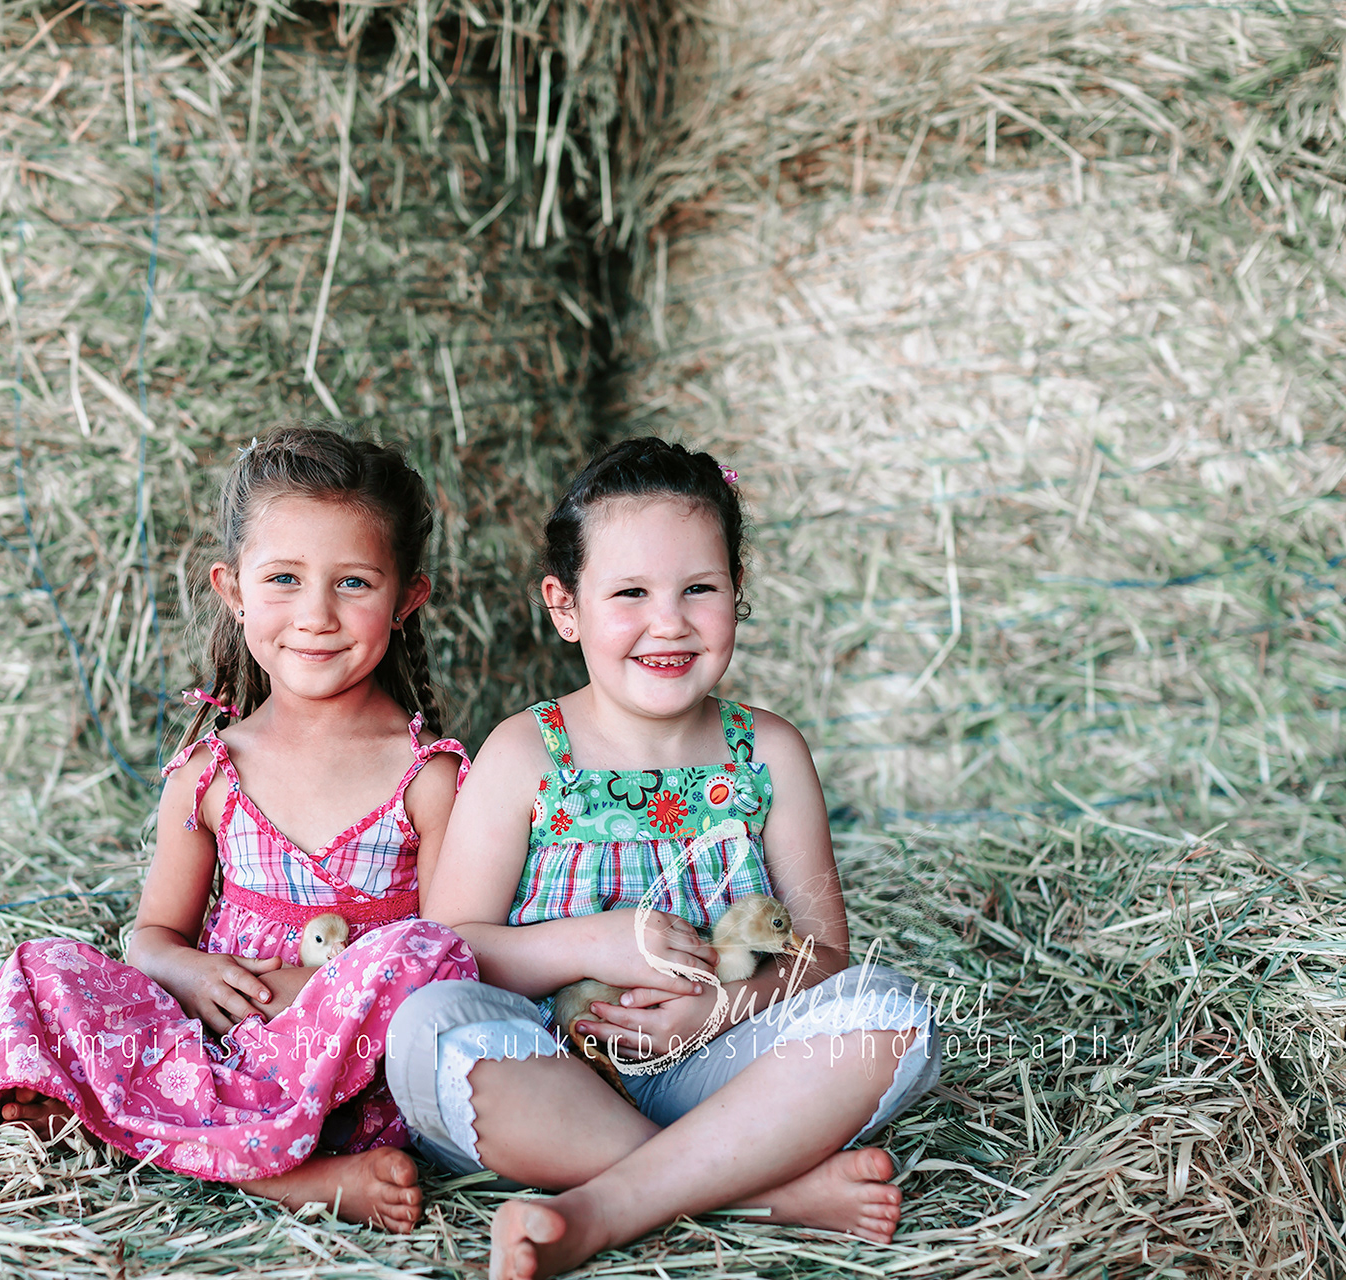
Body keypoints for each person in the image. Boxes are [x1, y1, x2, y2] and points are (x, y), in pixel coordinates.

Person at [386, 438, 941, 1278]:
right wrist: (591, 943)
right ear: (564, 606)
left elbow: (824, 958)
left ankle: (604, 1208)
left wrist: (718, 1010)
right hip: (553, 1069)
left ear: (737, 593)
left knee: (890, 1013)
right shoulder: (525, 753)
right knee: (423, 1032)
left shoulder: (770, 754)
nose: (670, 622)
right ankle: (762, 1193)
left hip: (719, 1065)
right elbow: (447, 949)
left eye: (700, 589)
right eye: (631, 593)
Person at [0, 426, 478, 1231]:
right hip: (215, 1043)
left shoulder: (427, 776)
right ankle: (286, 1176)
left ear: (406, 599)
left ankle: (159, 1134)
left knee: (428, 957)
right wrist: (189, 976)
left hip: (347, 1069)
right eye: (284, 578)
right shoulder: (210, 771)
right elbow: (151, 935)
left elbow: (447, 961)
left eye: (354, 582)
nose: (316, 615)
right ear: (234, 590)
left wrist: (317, 996)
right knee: (45, 968)